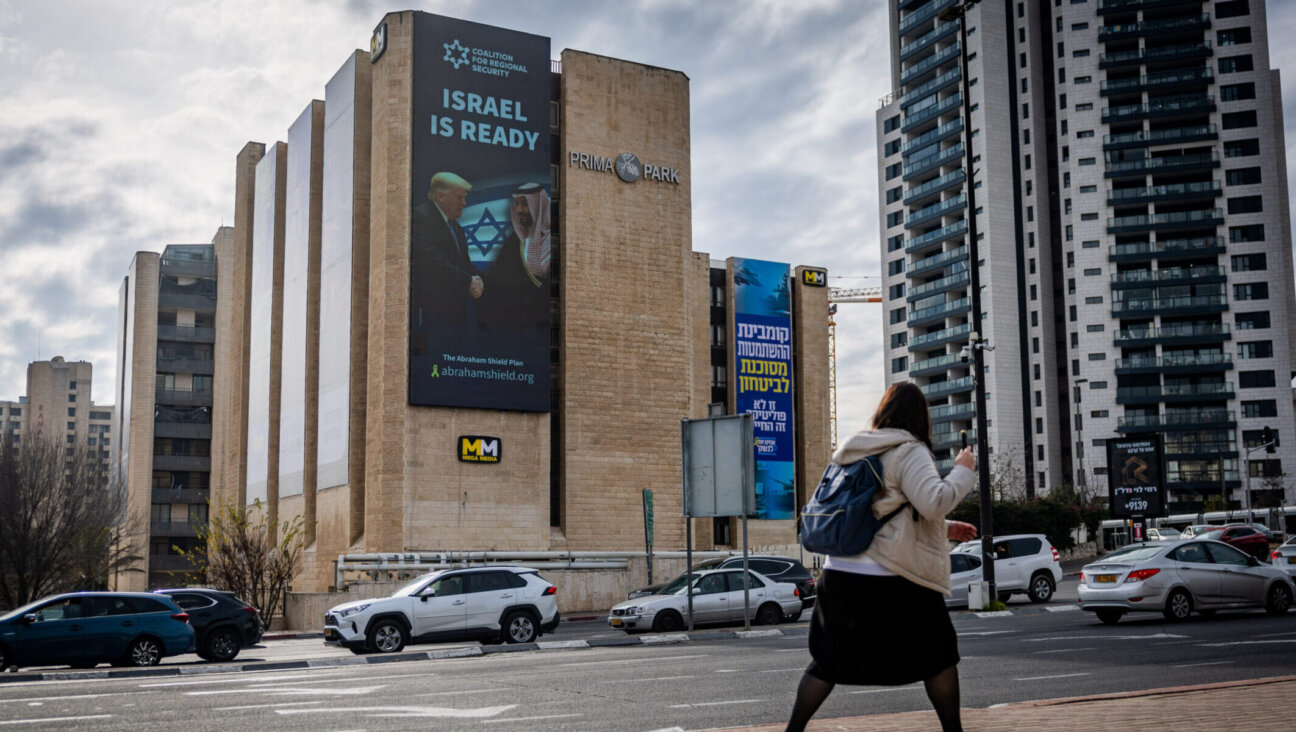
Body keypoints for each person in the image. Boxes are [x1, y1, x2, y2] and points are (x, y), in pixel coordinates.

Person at [786, 381, 979, 732]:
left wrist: (946, 527)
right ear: (921, 417)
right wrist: (964, 469)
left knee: (827, 662)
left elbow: (877, 511)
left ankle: (793, 731)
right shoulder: (909, 450)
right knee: (939, 656)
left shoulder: (854, 450)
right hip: (891, 574)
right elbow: (932, 501)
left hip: (839, 576)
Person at [411, 171, 483, 355]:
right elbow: (431, 260)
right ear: (441, 196)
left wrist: (477, 279)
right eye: (459, 197)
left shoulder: (456, 227)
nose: (464, 203)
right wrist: (469, 281)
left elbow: (464, 263)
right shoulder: (420, 218)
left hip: (456, 319)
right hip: (430, 318)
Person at [479, 182, 551, 330]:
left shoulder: (553, 241)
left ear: (537, 206)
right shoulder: (516, 240)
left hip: (542, 326)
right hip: (514, 323)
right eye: (517, 204)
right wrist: (476, 281)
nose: (519, 210)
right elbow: (496, 275)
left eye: (525, 204)